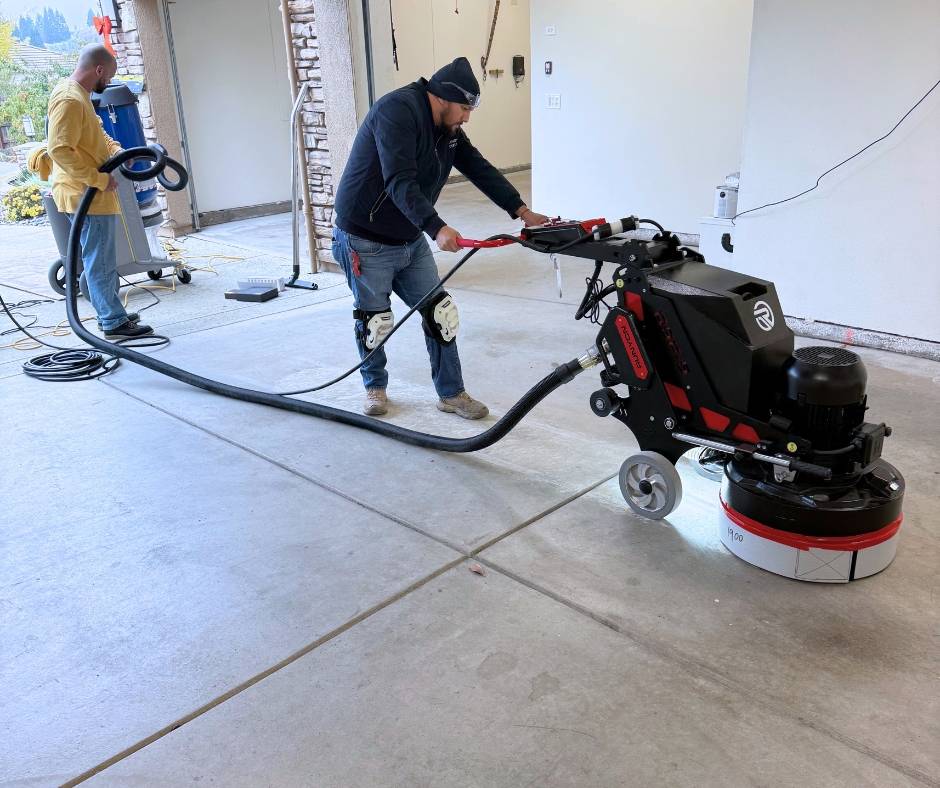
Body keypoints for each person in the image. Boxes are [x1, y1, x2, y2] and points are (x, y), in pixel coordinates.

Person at [333, 56, 550, 418]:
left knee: (441, 314)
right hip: (364, 238)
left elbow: (478, 167)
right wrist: (436, 227)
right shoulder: (396, 112)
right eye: (464, 108)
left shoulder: (446, 130)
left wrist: (522, 211)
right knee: (374, 321)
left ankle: (451, 394)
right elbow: (398, 180)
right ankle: (375, 388)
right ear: (443, 98)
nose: (466, 117)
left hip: (408, 238)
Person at [46, 44, 151, 338]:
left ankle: (108, 309)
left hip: (85, 192)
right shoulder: (69, 99)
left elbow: (96, 134)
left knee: (97, 258)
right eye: (110, 76)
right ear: (99, 70)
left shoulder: (79, 95)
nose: (109, 83)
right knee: (101, 261)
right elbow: (59, 149)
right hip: (85, 194)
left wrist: (118, 151)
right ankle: (113, 322)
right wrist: (97, 179)